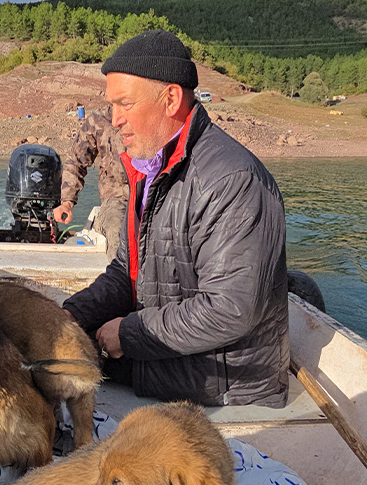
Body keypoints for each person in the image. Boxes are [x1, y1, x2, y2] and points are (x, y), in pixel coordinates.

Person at [62, 29, 290, 407]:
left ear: (170, 99)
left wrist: (130, 334)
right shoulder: (148, 171)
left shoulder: (232, 180)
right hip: (172, 357)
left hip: (225, 382)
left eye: (124, 104)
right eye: (110, 106)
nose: (113, 120)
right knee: (57, 350)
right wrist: (69, 315)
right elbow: (125, 272)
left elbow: (230, 310)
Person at [54, 104, 129, 260]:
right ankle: (123, 280)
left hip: (152, 195)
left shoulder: (151, 113)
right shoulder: (98, 120)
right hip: (117, 199)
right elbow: (75, 161)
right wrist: (67, 201)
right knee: (117, 228)